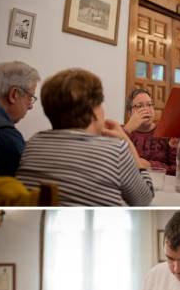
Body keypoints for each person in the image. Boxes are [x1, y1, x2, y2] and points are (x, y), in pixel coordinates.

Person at [16, 68, 154, 206]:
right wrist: (126, 141)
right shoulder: (116, 150)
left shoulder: (32, 144)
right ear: (93, 110)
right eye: (101, 104)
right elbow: (144, 200)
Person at [123, 88, 177, 175]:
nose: (146, 109)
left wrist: (150, 165)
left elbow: (179, 169)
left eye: (149, 105)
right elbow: (109, 160)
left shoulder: (167, 132)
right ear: (129, 113)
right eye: (139, 106)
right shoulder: (123, 131)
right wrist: (127, 129)